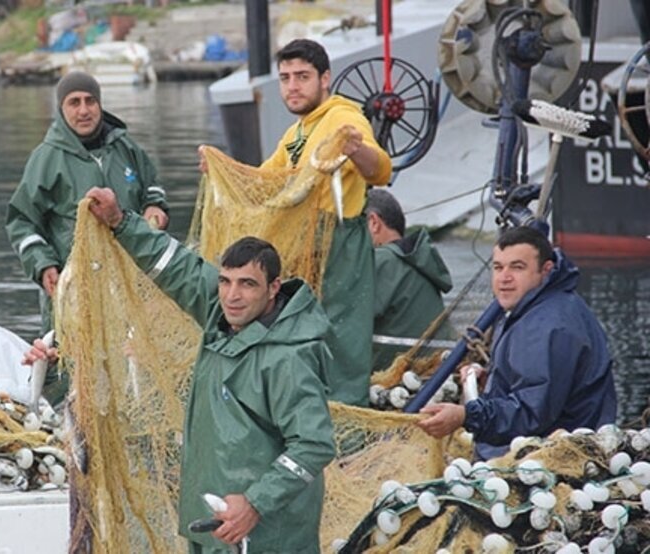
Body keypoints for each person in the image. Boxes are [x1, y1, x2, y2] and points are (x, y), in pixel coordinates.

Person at [74, 186, 336, 553]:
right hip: (212, 524)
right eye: (225, 282)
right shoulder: (221, 313)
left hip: (266, 537)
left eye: (247, 284)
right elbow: (175, 265)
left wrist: (256, 502)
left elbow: (314, 445)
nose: (232, 296)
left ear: (274, 288)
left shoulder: (289, 358)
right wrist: (120, 221)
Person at [6, 71, 169, 404]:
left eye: (90, 101)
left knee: (132, 369)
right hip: (73, 290)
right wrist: (42, 264)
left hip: (129, 286)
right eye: (74, 103)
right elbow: (21, 221)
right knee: (75, 374)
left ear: (100, 104)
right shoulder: (47, 158)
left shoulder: (126, 147)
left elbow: (153, 187)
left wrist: (155, 207)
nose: (84, 110)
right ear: (61, 109)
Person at [258, 38, 392, 406]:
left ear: (325, 78)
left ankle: (348, 424)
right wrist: (221, 168)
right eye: (285, 78)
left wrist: (356, 150)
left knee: (342, 336)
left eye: (302, 76)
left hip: (340, 243)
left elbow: (380, 169)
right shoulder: (297, 132)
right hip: (303, 245)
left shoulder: (342, 117)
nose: (292, 86)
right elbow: (263, 180)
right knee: (304, 334)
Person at [417, 227, 617, 460]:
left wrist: (465, 416)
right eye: (498, 267)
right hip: (529, 444)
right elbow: (536, 383)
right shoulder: (537, 305)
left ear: (546, 270)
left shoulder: (547, 324)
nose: (504, 278)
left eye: (517, 267)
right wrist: (494, 378)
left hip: (552, 458)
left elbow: (532, 414)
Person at [365, 189, 455, 372]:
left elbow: (340, 322)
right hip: (435, 372)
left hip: (391, 379)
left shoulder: (380, 261)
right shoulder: (418, 260)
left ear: (374, 223)